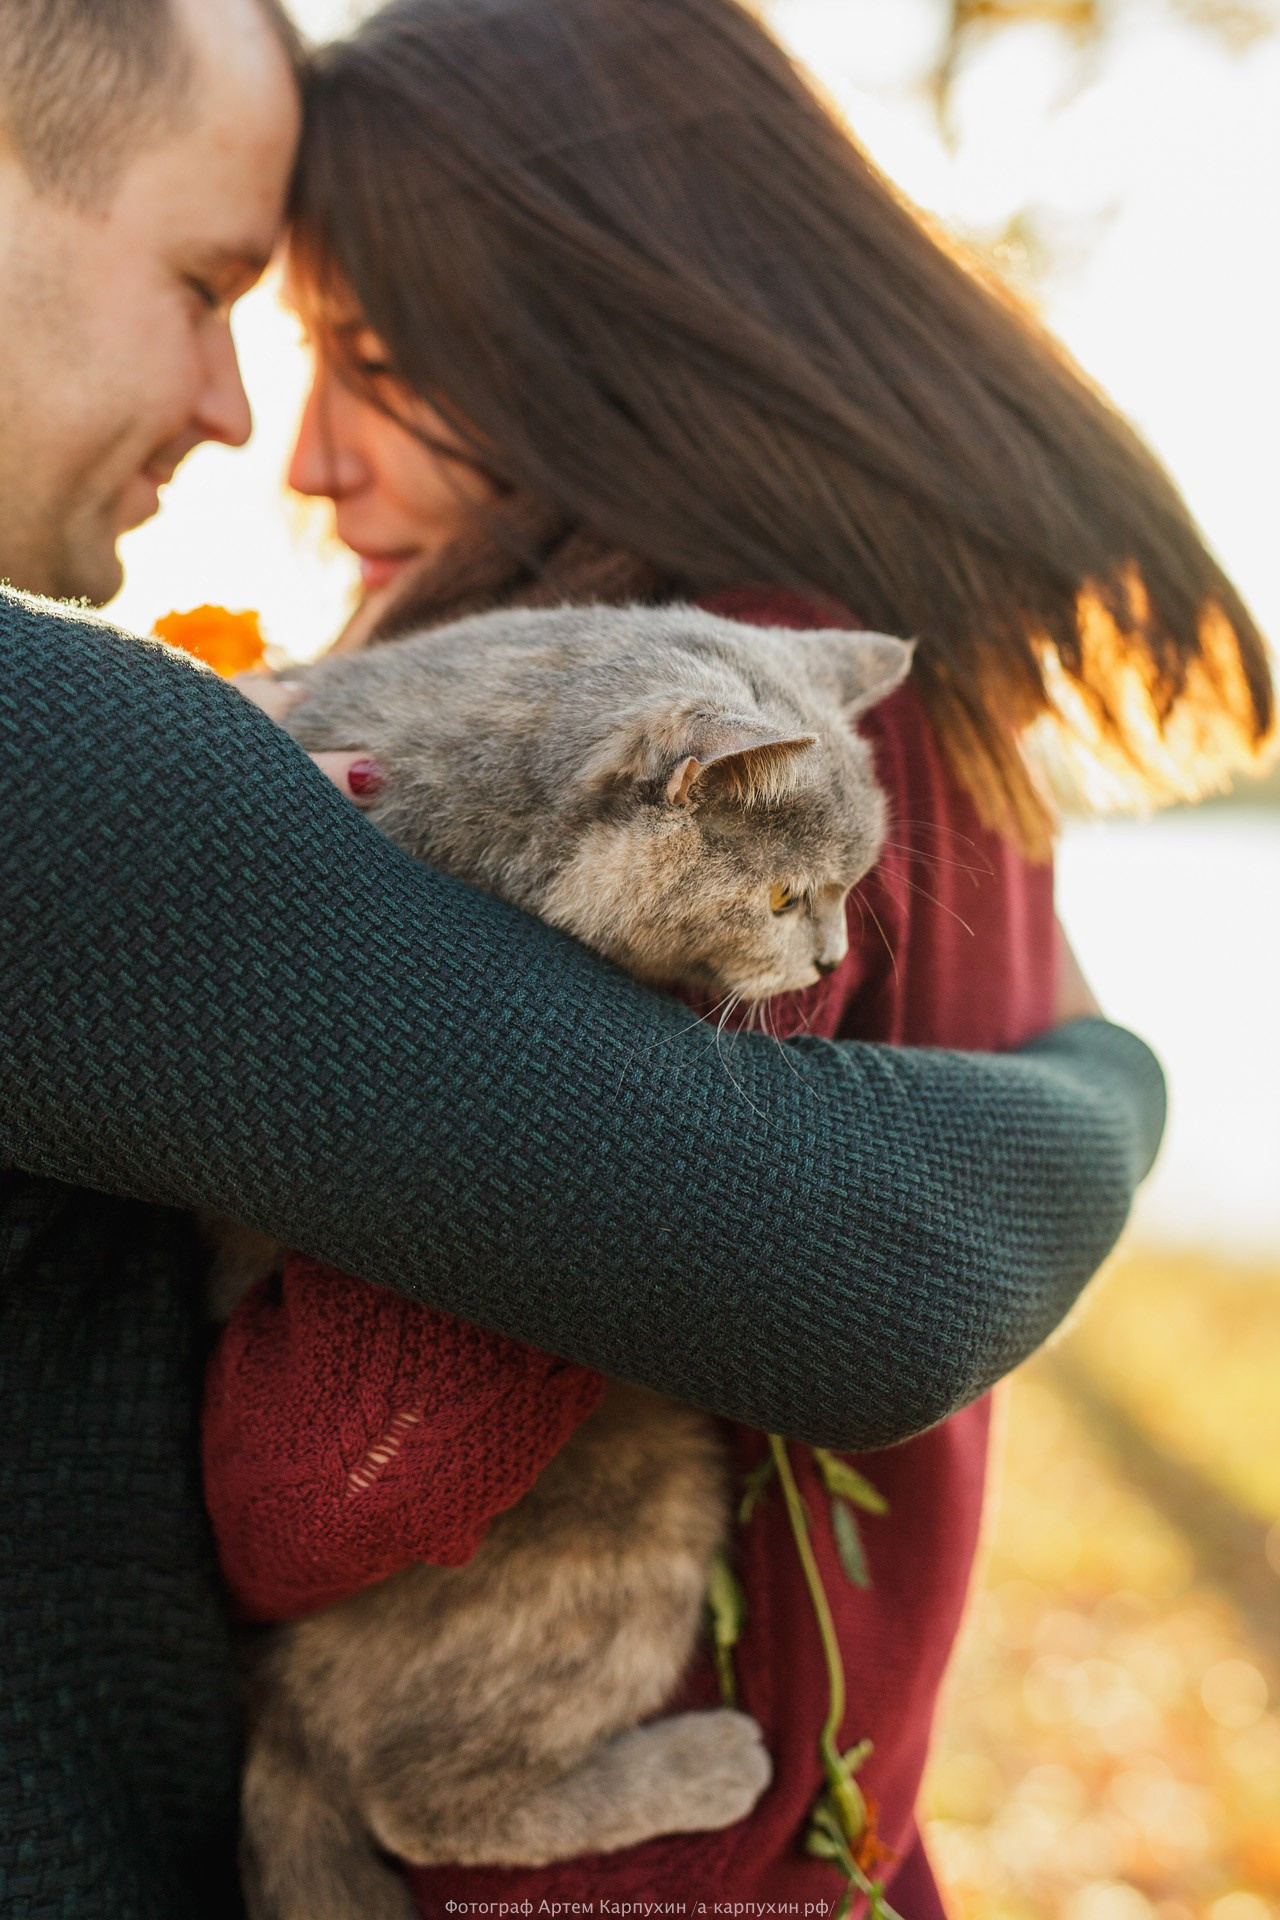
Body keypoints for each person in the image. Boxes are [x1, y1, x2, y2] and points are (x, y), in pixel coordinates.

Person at [0, 2, 1178, 1917]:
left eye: (346, 351)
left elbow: (328, 1478)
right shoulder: (58, 758)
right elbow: (852, 1262)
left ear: (600, 316)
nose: (264, 437)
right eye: (213, 287)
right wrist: (1114, 1069)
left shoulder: (751, 713)